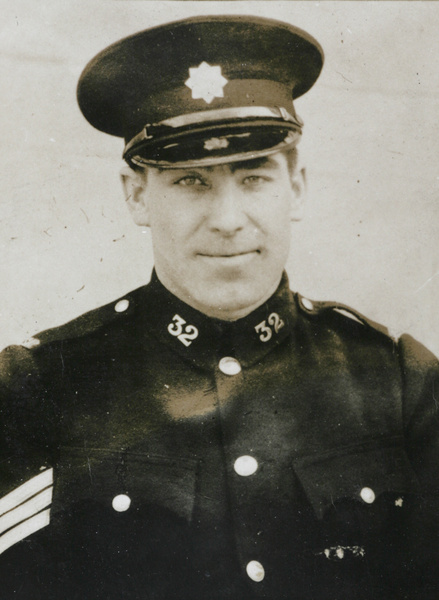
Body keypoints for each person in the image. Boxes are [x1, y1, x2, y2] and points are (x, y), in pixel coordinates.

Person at [0, 14, 438, 600]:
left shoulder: (401, 381)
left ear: (297, 187)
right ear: (136, 195)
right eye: (191, 182)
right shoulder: (38, 387)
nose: (229, 221)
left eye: (255, 177)